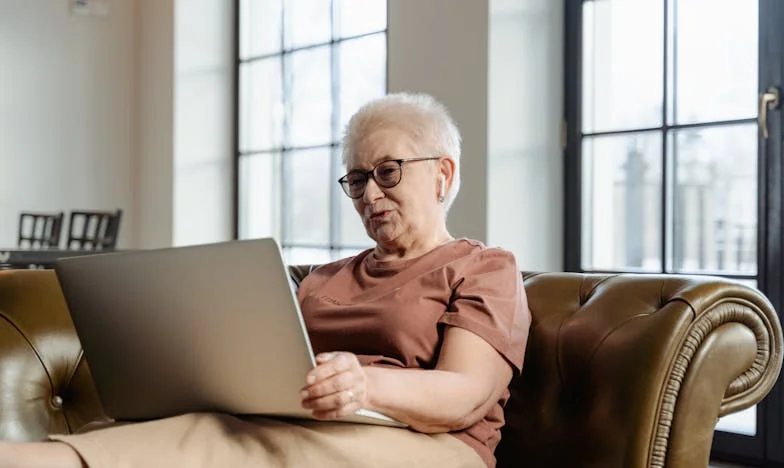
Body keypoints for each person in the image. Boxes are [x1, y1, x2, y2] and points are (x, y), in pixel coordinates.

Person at [0, 92, 531, 468]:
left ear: (444, 173)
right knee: (212, 430)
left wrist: (364, 384)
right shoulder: (324, 279)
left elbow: (464, 394)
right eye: (357, 179)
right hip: (302, 429)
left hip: (431, 448)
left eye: (388, 171)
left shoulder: (485, 268)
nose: (369, 195)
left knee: (233, 444)